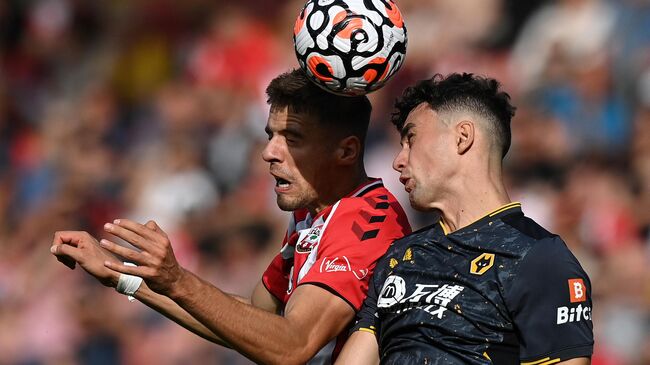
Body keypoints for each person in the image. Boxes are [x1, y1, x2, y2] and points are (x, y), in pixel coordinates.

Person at [50, 69, 412, 364]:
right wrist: (123, 276)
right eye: (271, 135)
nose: (269, 152)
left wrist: (176, 279)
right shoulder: (312, 213)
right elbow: (252, 321)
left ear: (346, 151)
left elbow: (292, 345)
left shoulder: (368, 222)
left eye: (293, 137)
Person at [336, 73, 593, 364]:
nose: (398, 160)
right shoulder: (400, 256)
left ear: (463, 137)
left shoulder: (538, 257)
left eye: (411, 139)